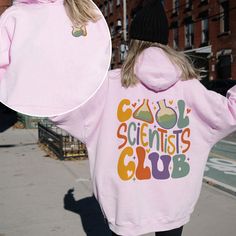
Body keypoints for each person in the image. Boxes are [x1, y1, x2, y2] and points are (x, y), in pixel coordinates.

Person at [50, 1, 236, 236]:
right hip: (174, 204)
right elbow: (230, 112)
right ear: (166, 41)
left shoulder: (108, 85)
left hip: (124, 206)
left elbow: (61, 108)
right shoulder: (190, 88)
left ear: (132, 43)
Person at [0, 0, 110, 117]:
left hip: (21, 103)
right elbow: (99, 65)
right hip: (79, 106)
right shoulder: (90, 15)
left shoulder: (13, 15)